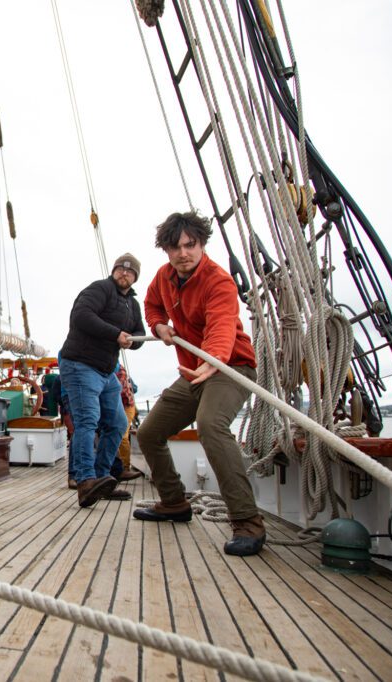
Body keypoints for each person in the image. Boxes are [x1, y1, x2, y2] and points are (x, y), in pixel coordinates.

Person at [134, 211, 264, 556]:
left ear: (201, 244)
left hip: (230, 366)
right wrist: (159, 325)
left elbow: (222, 324)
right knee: (148, 433)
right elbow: (151, 305)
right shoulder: (164, 277)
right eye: (174, 248)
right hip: (193, 371)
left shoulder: (218, 281)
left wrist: (213, 358)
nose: (183, 254)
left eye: (190, 245)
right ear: (166, 251)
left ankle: (248, 522)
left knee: (210, 425)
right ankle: (174, 503)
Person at [59, 253, 146, 507]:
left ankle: (100, 478)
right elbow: (81, 316)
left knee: (118, 423)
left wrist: (132, 340)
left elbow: (138, 332)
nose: (124, 273)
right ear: (114, 270)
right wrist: (116, 334)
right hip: (80, 364)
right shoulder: (100, 289)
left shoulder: (133, 305)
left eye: (130, 272)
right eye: (121, 269)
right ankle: (85, 481)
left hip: (107, 372)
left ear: (135, 277)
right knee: (87, 421)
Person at [115, 365, 142, 481]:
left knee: (122, 436)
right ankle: (115, 467)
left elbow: (134, 388)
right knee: (112, 435)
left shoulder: (120, 370)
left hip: (127, 406)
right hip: (116, 406)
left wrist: (129, 386)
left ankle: (125, 468)